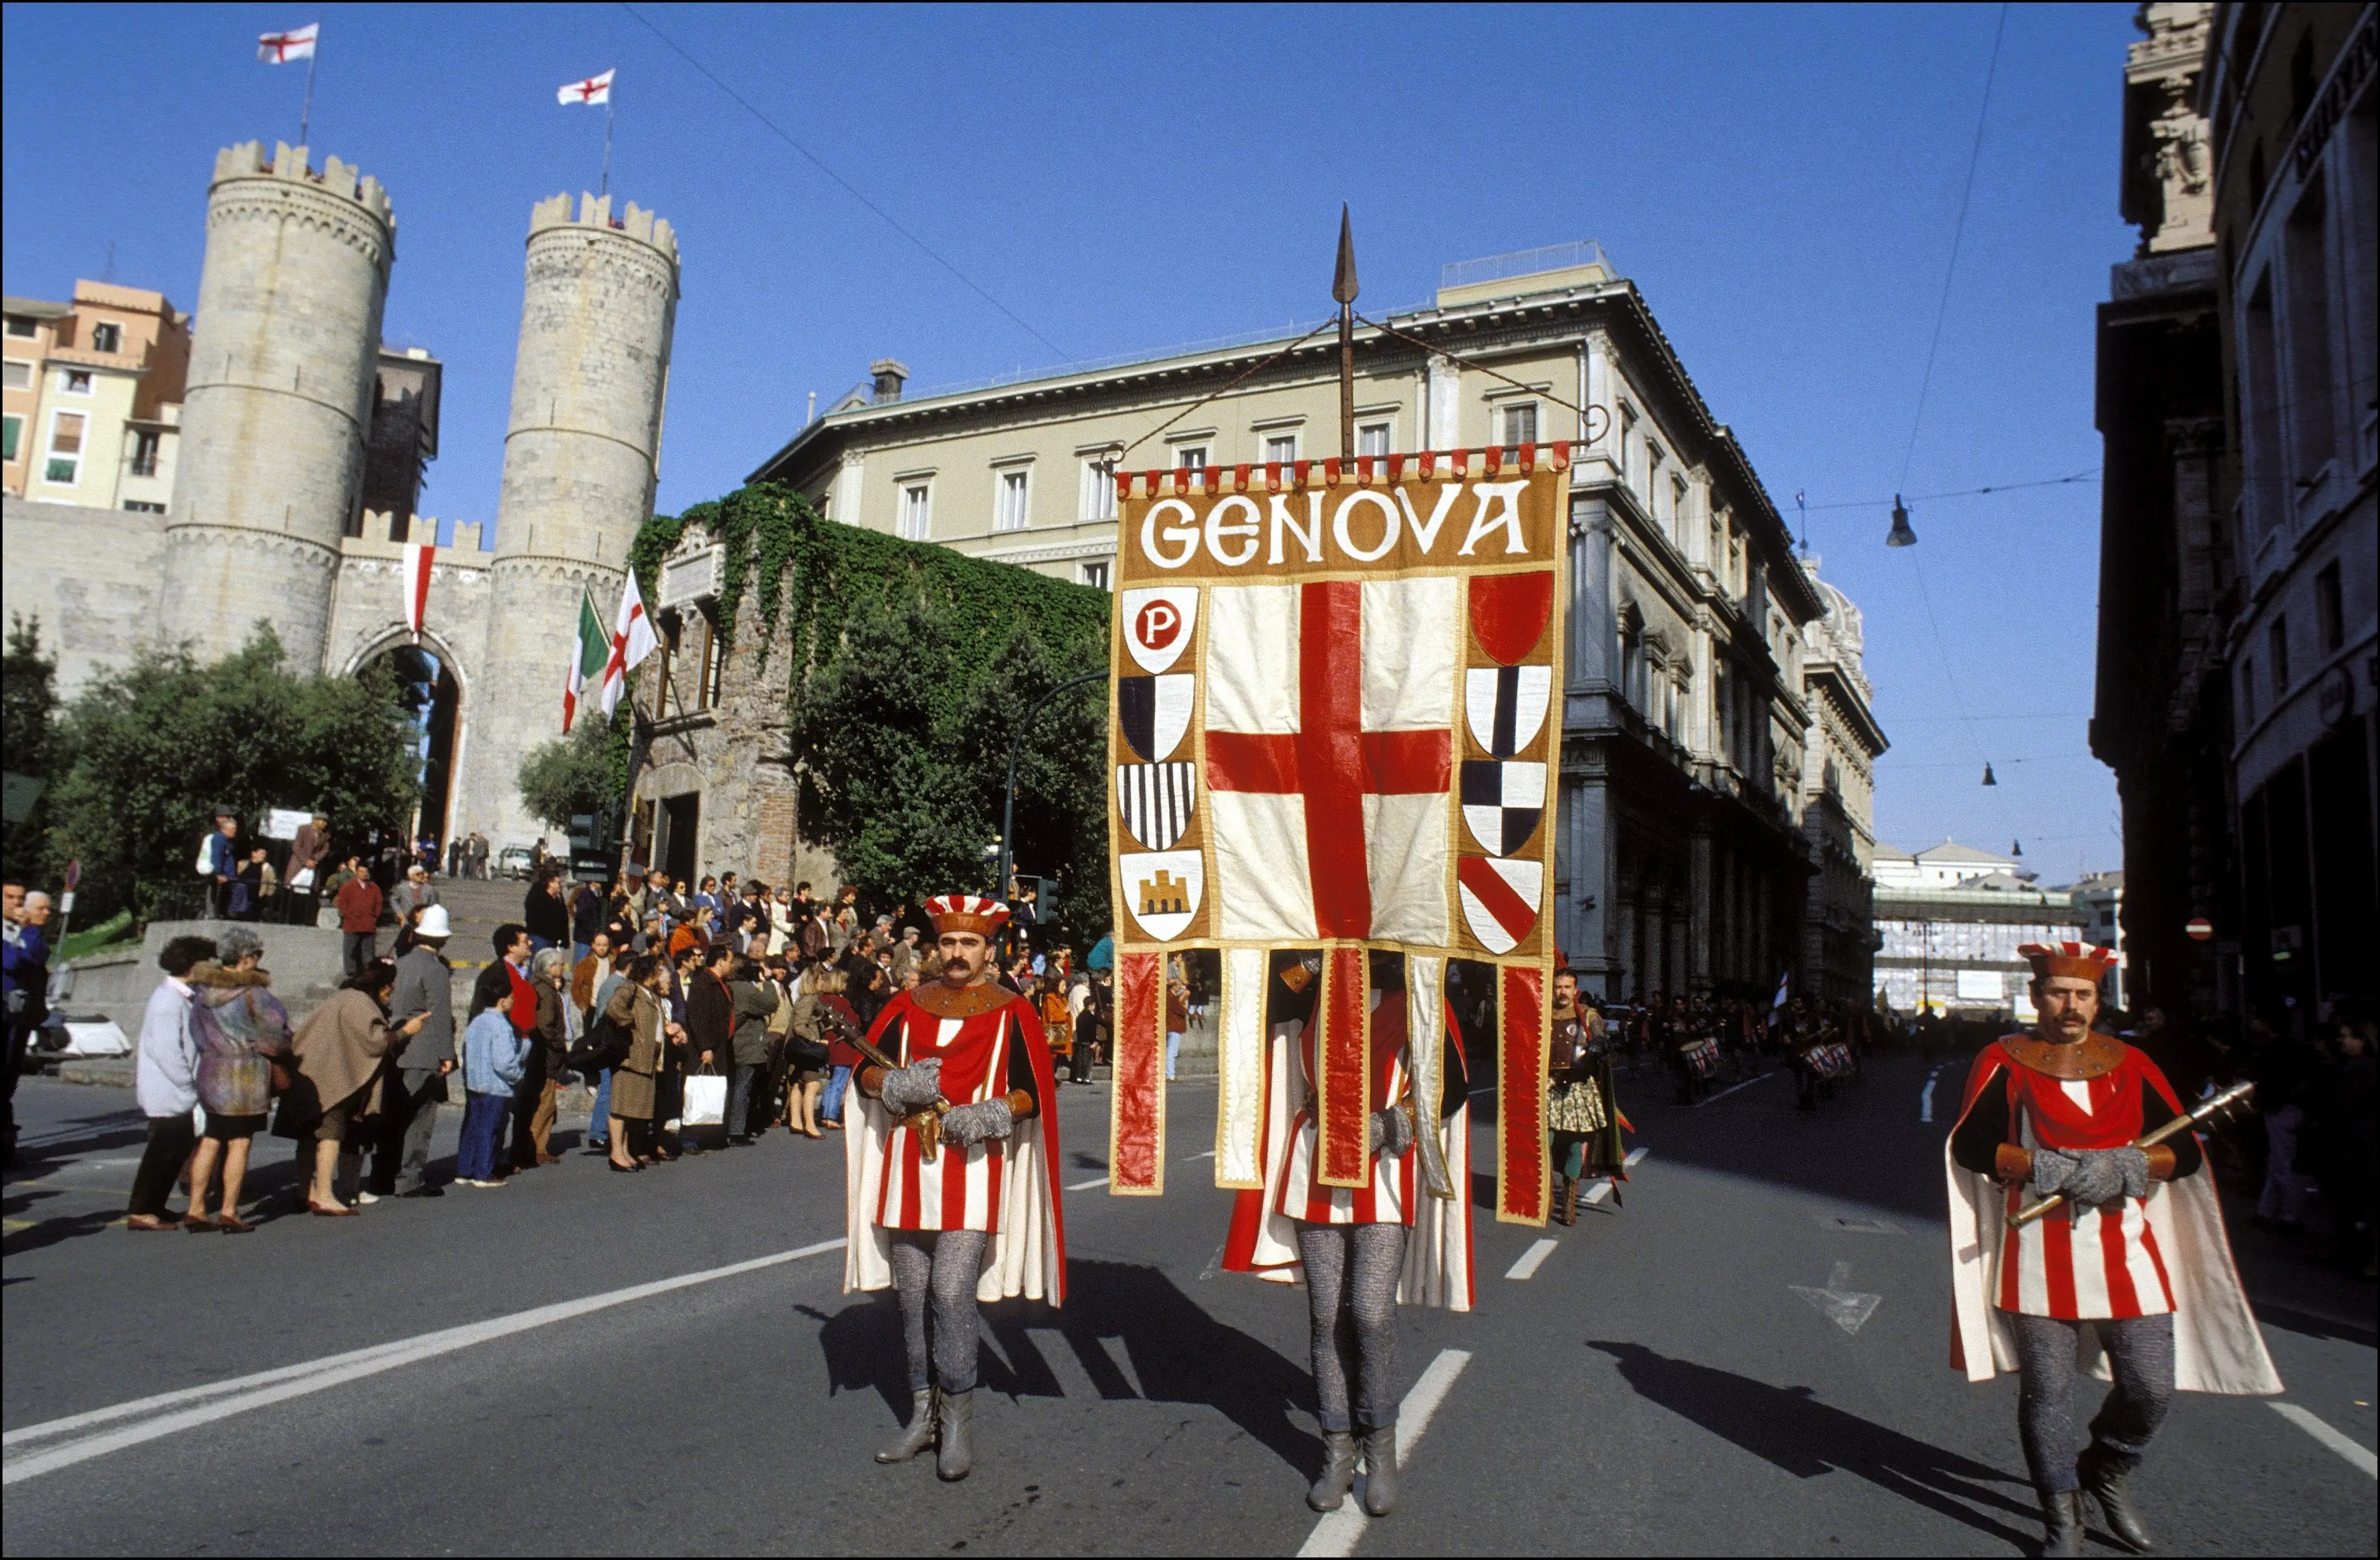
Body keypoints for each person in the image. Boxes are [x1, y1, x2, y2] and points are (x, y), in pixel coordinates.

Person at [1946, 941, 2279, 1556]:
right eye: (2056, 993)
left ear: (2099, 1000)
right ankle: (2061, 1514)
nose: (2069, 1006)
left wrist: (2128, 1161)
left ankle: (2107, 1465)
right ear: (2034, 997)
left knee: (2150, 1386)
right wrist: (2043, 1166)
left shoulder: (2130, 1063)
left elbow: (2180, 1152)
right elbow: (1971, 1145)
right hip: (2037, 1251)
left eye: (2082, 994)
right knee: (2046, 1394)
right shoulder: (2004, 1059)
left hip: (2126, 1246)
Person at [1222, 950, 1473, 1518]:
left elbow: (1452, 1087)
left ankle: (1379, 1449)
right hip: (1315, 1162)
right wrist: (1321, 953)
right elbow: (1264, 1003)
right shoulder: (1310, 989)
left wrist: (1388, 1125)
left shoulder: (1418, 994)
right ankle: (1336, 1450)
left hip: (1383, 1169)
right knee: (1327, 1315)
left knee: (1371, 1313)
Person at [847, 894, 1066, 1481]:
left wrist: (991, 1113)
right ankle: (925, 1417)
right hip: (908, 1167)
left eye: (969, 943)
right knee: (913, 1299)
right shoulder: (904, 1004)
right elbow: (861, 1070)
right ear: (934, 947)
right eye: (948, 942)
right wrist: (894, 1085)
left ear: (988, 951)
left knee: (950, 1291)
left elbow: (1033, 1092)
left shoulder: (1010, 1011)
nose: (957, 953)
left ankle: (959, 1422)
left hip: (972, 1170)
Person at [181, 928, 292, 1232]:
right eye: (257, 954)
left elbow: (195, 1032)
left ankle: (196, 1208)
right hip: (244, 1077)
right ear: (245, 959)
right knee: (240, 1143)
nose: (259, 960)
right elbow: (276, 1039)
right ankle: (229, 1210)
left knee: (210, 1140)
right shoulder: (255, 994)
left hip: (211, 1072)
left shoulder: (203, 992)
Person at [290, 959, 420, 1214]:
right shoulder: (362, 1003)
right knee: (330, 1135)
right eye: (389, 985)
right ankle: (325, 1195)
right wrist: (406, 1031)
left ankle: (304, 1190)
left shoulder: (341, 997)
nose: (392, 990)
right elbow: (377, 1042)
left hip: (309, 1073)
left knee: (308, 1137)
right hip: (334, 1079)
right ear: (382, 984)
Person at [128, 935, 216, 1231]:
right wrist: (190, 1088)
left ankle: (155, 1205)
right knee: (162, 1152)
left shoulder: (183, 996)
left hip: (177, 1090)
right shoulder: (168, 1001)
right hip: (169, 1091)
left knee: (176, 1151)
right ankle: (142, 1210)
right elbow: (168, 1052)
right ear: (193, 965)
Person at [375, 903, 458, 1199]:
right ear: (443, 939)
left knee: (393, 1117)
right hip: (424, 1050)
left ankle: (382, 1175)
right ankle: (409, 1178)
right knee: (419, 1119)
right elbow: (440, 1015)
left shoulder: (401, 963)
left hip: (398, 1047)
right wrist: (447, 1055)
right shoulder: (436, 970)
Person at [1547, 966, 1620, 1226]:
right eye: (1558, 987)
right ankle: (1545, 1196)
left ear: (1575, 990)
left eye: (1567, 987)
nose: (1562, 992)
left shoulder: (1589, 1016)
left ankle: (1567, 1206)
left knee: (1573, 1146)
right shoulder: (1543, 1014)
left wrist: (1599, 1045)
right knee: (1545, 1141)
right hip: (1548, 1087)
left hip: (1578, 1087)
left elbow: (1602, 1039)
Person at [469, 923, 541, 1174]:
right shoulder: (495, 975)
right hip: (501, 1050)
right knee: (490, 1114)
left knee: (507, 1110)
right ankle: (481, 1165)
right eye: (525, 941)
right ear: (510, 947)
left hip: (519, 1047)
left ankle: (499, 1157)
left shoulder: (521, 972)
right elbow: (479, 1015)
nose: (530, 944)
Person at [602, 954, 671, 1169]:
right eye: (658, 970)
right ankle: (616, 1152)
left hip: (648, 1057)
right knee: (621, 1106)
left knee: (633, 1108)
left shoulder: (651, 995)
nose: (661, 974)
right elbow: (614, 1007)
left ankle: (625, 1150)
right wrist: (631, 1025)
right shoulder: (630, 989)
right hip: (632, 1056)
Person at [3, 878, 52, 1164]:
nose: (17, 905)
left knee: (8, 1079)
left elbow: (35, 956)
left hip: (17, 1015)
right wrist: (22, 939)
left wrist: (25, 935)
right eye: (11, 898)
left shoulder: (25, 933)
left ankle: (7, 1143)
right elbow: (10, 962)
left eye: (21, 899)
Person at [456, 1004, 529, 1188]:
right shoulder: (501, 1026)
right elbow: (504, 1063)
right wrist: (518, 1075)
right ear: (503, 999)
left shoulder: (477, 1021)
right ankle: (483, 1173)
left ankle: (465, 1170)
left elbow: (467, 1052)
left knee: (473, 1127)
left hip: (475, 1082)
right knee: (490, 1130)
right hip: (495, 1085)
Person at [523, 947, 572, 1164]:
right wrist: (560, 1044)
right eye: (560, 965)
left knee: (547, 1102)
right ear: (550, 967)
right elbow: (545, 1025)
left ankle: (540, 1146)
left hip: (545, 1053)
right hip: (546, 1054)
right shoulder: (545, 990)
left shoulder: (542, 987)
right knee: (546, 1103)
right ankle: (535, 1147)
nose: (562, 968)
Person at [574, 930, 620, 1149]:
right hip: (592, 1008)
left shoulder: (612, 964)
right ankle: (591, 1078)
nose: (602, 948)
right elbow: (576, 986)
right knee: (589, 1046)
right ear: (592, 944)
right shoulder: (585, 963)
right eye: (598, 945)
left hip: (605, 1009)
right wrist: (583, 1005)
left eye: (605, 945)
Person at [727, 954, 780, 1143]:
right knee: (743, 1087)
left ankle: (735, 1126)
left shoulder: (730, 987)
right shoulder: (745, 990)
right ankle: (737, 1129)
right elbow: (771, 1004)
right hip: (746, 1045)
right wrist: (766, 982)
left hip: (735, 1044)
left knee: (737, 1086)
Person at [334, 857, 383, 979]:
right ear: (356, 872)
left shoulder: (374, 888)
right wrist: (350, 916)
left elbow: (379, 904)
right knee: (350, 950)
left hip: (368, 924)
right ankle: (351, 973)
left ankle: (368, 973)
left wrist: (375, 916)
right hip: (352, 924)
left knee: (368, 952)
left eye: (366, 872)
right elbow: (341, 904)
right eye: (361, 871)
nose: (364, 874)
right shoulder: (348, 886)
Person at [290, 811, 332, 916]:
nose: (325, 824)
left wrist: (315, 859)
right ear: (315, 820)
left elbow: (325, 850)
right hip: (299, 865)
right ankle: (291, 916)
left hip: (314, 866)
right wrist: (306, 861)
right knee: (294, 891)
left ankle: (306, 917)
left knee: (311, 893)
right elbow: (296, 846)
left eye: (326, 822)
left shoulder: (326, 835)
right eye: (323, 821)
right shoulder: (303, 829)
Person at [200, 811, 238, 920]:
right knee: (215, 900)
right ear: (225, 829)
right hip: (220, 878)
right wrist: (218, 874)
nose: (234, 832)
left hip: (228, 878)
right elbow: (216, 858)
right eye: (232, 830)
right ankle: (212, 917)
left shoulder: (228, 842)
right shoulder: (219, 839)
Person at [525, 868, 570, 955]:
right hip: (540, 938)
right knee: (539, 962)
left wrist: (564, 940)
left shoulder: (558, 898)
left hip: (554, 940)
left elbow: (564, 918)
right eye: (558, 883)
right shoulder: (539, 897)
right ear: (550, 883)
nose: (560, 885)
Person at [571, 876, 608, 965]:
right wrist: (592, 929)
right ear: (593, 883)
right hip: (585, 936)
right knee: (582, 961)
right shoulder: (586, 895)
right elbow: (581, 915)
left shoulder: (596, 894)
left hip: (588, 936)